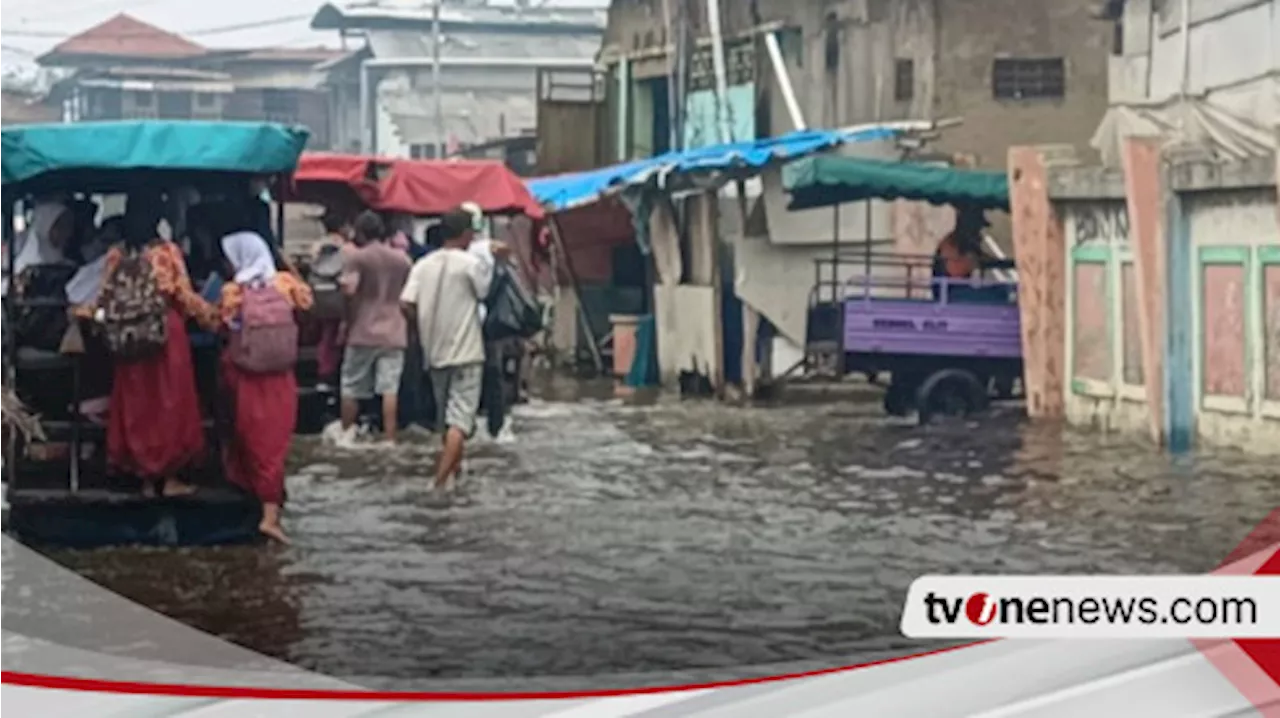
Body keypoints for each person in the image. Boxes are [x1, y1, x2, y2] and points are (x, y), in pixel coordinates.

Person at [95, 191, 220, 498]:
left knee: (137, 404)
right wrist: (212, 316)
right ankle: (170, 478)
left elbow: (103, 298)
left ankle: (146, 479)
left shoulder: (116, 255)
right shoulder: (166, 253)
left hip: (128, 337)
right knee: (169, 403)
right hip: (165, 333)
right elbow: (184, 296)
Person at [217, 219, 314, 545]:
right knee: (274, 443)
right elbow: (308, 304)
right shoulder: (286, 284)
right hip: (280, 376)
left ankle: (251, 495)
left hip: (244, 374)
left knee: (247, 436)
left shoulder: (233, 291)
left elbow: (222, 322)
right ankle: (270, 513)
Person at [400, 208, 496, 491]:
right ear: (467, 234)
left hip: (435, 353)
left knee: (447, 421)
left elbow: (405, 304)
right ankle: (440, 484)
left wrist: (420, 327)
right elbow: (484, 293)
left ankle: (455, 475)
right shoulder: (470, 264)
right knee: (461, 421)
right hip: (466, 352)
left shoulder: (423, 265)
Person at [337, 211, 412, 445]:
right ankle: (390, 438)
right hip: (394, 329)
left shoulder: (358, 258)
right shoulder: (402, 260)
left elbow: (349, 291)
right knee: (390, 388)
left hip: (363, 329)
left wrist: (345, 317)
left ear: (359, 232)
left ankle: (346, 434)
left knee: (351, 385)